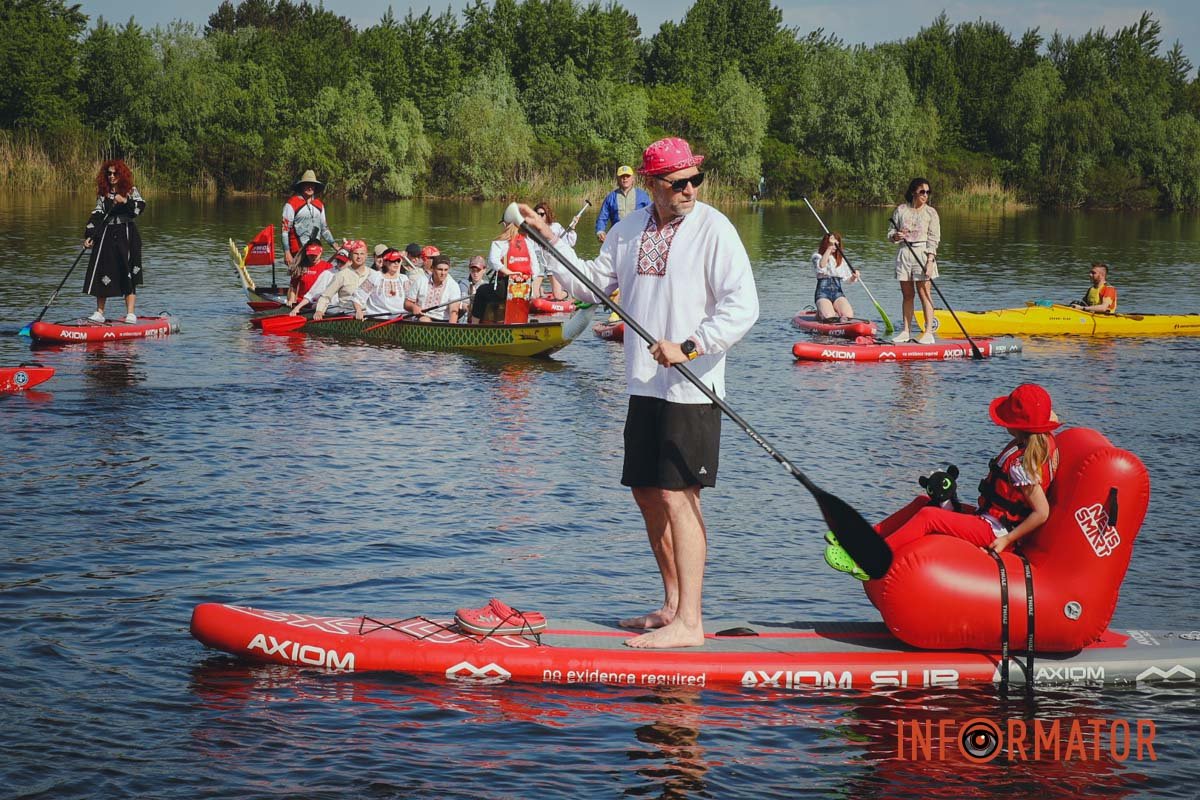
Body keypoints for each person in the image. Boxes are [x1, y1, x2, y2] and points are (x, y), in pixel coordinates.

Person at [517, 136, 759, 649]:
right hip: (643, 384)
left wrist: (691, 345)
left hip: (693, 385)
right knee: (647, 493)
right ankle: (671, 605)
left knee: (678, 494)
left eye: (696, 179)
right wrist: (548, 239)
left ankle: (690, 622)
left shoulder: (715, 229)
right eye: (679, 182)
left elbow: (743, 306)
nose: (690, 188)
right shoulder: (627, 231)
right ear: (653, 185)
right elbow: (588, 287)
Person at [825, 384, 1061, 581]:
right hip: (989, 518)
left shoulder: (1022, 466)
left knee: (930, 517)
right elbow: (1050, 418)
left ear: (1017, 426)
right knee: (924, 501)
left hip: (996, 532)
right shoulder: (1042, 440)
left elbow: (1042, 512)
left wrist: (1006, 540)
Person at [82, 160, 146, 323]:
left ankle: (130, 313)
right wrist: (89, 235)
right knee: (103, 270)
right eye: (109, 173)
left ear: (121, 175)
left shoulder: (130, 191)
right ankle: (99, 313)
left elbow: (140, 207)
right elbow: (97, 214)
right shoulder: (103, 193)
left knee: (128, 270)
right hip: (106, 235)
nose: (111, 176)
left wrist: (125, 200)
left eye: (115, 173)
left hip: (127, 235)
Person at [887, 177, 940, 344]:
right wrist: (895, 236)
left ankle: (928, 331)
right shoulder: (901, 210)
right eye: (922, 192)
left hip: (922, 253)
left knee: (924, 293)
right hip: (904, 252)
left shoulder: (931, 212)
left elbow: (934, 238)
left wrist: (930, 261)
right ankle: (906, 331)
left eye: (927, 192)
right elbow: (890, 233)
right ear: (913, 192)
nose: (925, 195)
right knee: (907, 295)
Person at [291, 240, 369, 320]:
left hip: (354, 309)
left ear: (350, 261)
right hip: (333, 310)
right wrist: (297, 308)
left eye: (342, 262)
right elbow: (311, 294)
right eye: (338, 261)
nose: (339, 264)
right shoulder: (328, 274)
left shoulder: (363, 273)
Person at [281, 170, 335, 268]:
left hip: (315, 250)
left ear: (315, 187)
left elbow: (324, 229)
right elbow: (285, 231)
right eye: (307, 184)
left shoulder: (319, 205)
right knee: (298, 279)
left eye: (312, 185)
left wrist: (335, 246)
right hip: (297, 252)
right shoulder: (291, 204)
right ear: (301, 186)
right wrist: (287, 252)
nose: (310, 187)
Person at [595, 165, 650, 243]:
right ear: (617, 179)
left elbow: (652, 215)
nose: (625, 178)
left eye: (627, 176)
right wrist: (600, 231)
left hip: (637, 238)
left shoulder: (643, 195)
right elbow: (602, 218)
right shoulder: (610, 197)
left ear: (633, 178)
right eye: (622, 176)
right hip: (617, 238)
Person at [810, 232, 858, 321]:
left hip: (837, 292)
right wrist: (829, 248)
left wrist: (854, 277)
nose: (835, 247)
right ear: (826, 243)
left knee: (848, 316)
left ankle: (832, 310)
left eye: (836, 245)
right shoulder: (817, 256)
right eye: (832, 244)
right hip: (823, 293)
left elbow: (847, 279)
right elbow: (821, 266)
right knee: (829, 317)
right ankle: (821, 312)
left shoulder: (840, 260)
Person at [533, 201, 576, 300]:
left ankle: (568, 293)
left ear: (547, 214)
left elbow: (570, 242)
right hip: (539, 261)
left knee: (558, 295)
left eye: (542, 214)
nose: (539, 216)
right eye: (537, 214)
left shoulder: (555, 227)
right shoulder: (532, 228)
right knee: (533, 296)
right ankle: (540, 291)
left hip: (552, 261)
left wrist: (572, 229)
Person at [352, 248, 410, 321]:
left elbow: (410, 301)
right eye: (393, 260)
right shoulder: (375, 277)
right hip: (378, 319)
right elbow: (357, 298)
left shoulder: (404, 279)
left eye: (398, 261)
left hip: (401, 319)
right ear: (385, 262)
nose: (396, 263)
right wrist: (358, 311)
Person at [411, 255, 462, 322]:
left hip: (444, 320)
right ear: (433, 269)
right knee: (424, 320)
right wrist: (413, 307)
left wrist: (451, 328)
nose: (443, 273)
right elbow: (407, 303)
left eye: (446, 270)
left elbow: (454, 311)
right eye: (440, 269)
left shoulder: (453, 285)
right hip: (423, 316)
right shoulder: (421, 281)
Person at [459, 255, 489, 322]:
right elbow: (464, 304)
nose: (475, 274)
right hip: (465, 319)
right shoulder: (463, 284)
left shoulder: (487, 285)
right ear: (469, 270)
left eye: (478, 270)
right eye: (473, 270)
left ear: (484, 270)